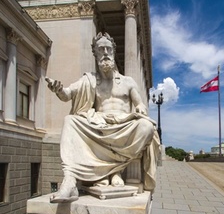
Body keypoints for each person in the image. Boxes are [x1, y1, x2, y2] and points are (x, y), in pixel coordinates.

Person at [46, 32, 160, 203]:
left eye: (108, 49)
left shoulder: (128, 81)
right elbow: (67, 94)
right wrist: (58, 89)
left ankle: (112, 172)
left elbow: (139, 104)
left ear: (114, 52)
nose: (105, 53)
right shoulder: (89, 79)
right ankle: (70, 180)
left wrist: (141, 108)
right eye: (101, 49)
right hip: (99, 124)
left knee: (147, 127)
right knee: (70, 121)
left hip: (123, 124)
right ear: (96, 54)